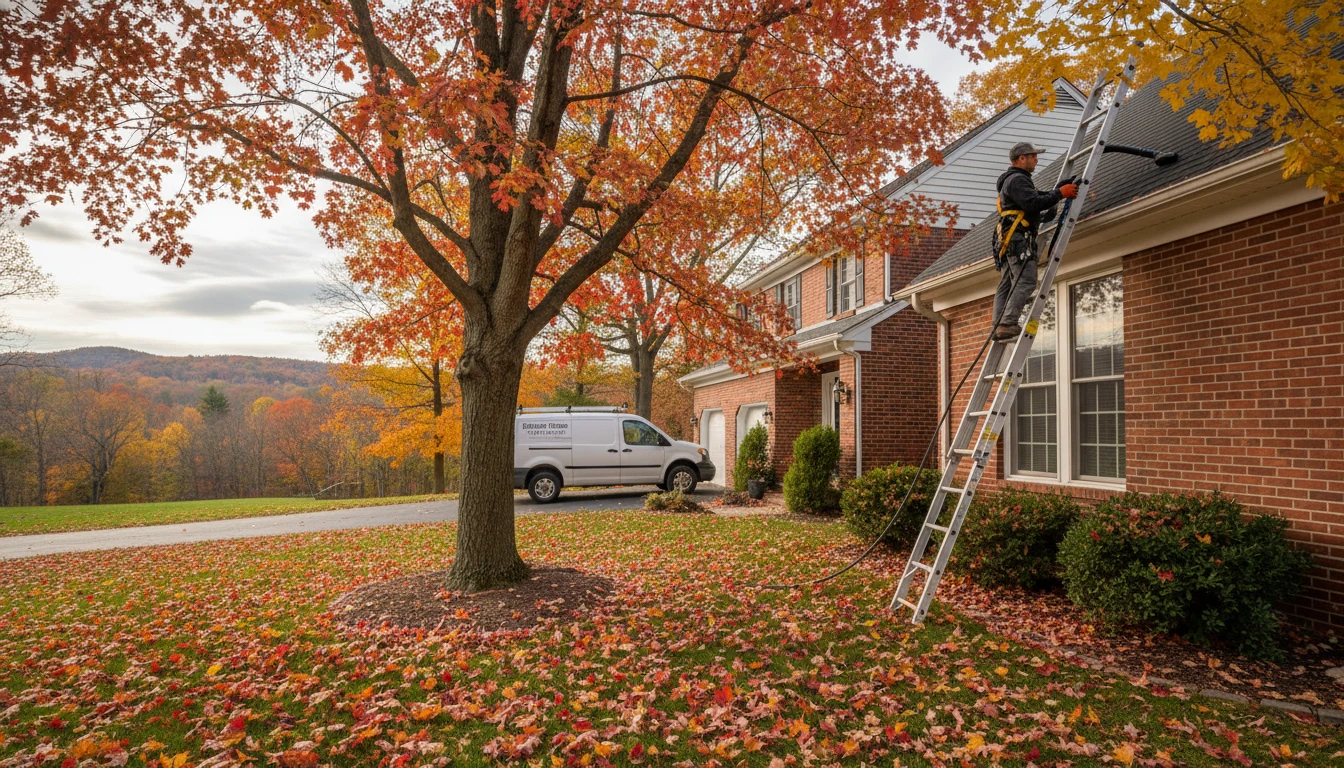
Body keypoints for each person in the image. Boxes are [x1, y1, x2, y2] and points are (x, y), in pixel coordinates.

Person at [990, 142, 1079, 341]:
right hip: (1018, 240)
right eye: (1033, 156)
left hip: (1008, 240)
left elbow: (1037, 202)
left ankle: (999, 326)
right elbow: (1033, 204)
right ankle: (1007, 323)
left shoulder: (1013, 181)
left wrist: (1056, 191)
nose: (1036, 160)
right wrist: (1060, 194)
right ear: (1022, 158)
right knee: (1027, 281)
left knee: (1006, 284)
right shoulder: (1018, 180)